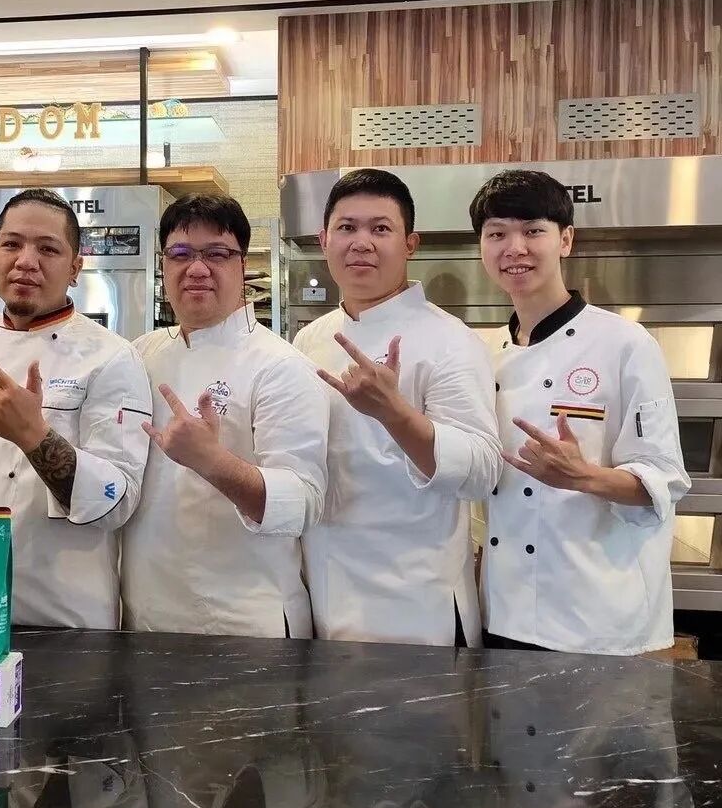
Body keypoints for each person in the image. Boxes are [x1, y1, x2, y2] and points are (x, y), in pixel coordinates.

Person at [469, 168, 690, 653]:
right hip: (504, 609)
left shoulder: (625, 344)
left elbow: (666, 480)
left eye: (533, 231)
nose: (515, 248)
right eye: (497, 234)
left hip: (598, 616)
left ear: (565, 240)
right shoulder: (484, 354)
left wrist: (583, 476)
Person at [0, 187, 152, 629]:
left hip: (61, 617)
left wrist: (33, 435)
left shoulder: (112, 358)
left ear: (75, 268)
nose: (26, 261)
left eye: (48, 249)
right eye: (12, 244)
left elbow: (117, 499)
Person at [293, 169, 502, 646]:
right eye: (347, 227)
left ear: (410, 244)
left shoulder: (450, 341)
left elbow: (482, 472)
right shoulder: (310, 339)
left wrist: (394, 413)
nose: (361, 242)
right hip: (326, 591)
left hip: (419, 604)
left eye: (380, 228)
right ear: (324, 240)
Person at [121, 194, 329, 638]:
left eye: (217, 254)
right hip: (146, 614)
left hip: (247, 622)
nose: (197, 269)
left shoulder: (280, 365)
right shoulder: (141, 353)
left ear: (243, 267)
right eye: (180, 254)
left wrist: (211, 461)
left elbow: (303, 503)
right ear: (163, 265)